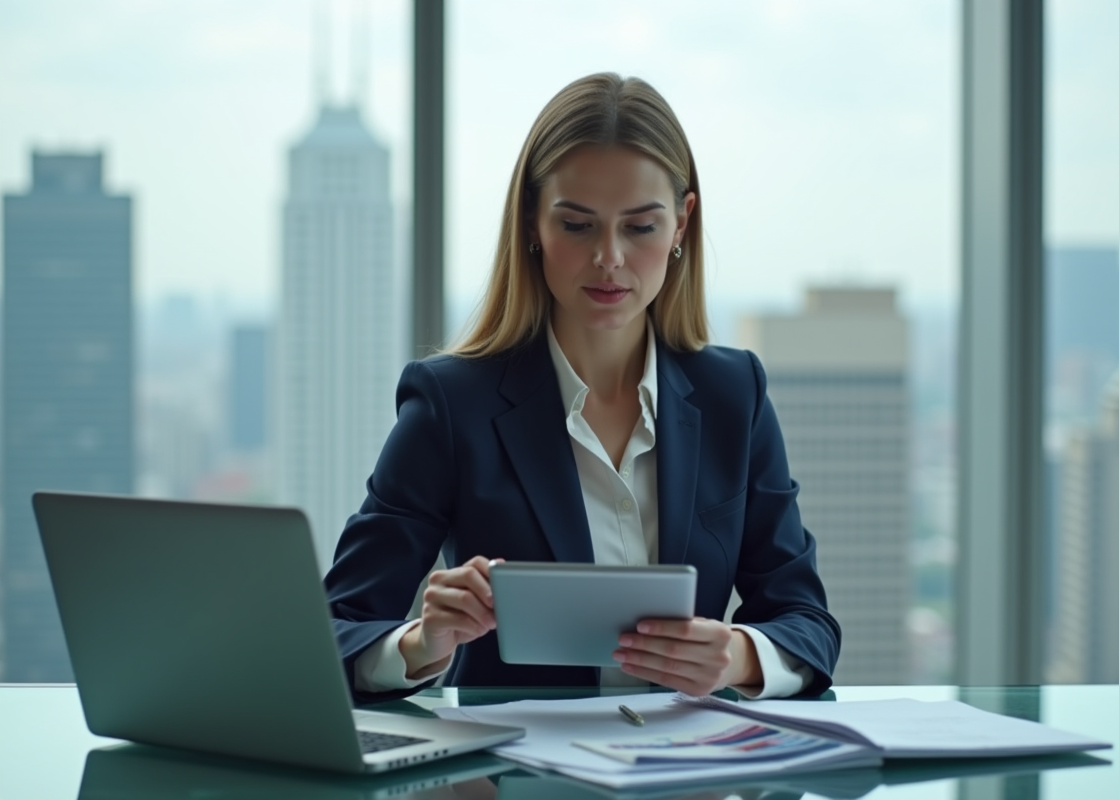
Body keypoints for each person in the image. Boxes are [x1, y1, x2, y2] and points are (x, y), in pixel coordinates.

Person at [324, 73, 840, 702]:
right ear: (532, 223)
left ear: (682, 224)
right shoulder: (452, 404)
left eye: (640, 227)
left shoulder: (735, 394)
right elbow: (334, 629)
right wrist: (420, 643)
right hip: (512, 759)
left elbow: (806, 623)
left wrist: (737, 656)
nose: (609, 258)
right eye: (576, 225)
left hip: (686, 757)